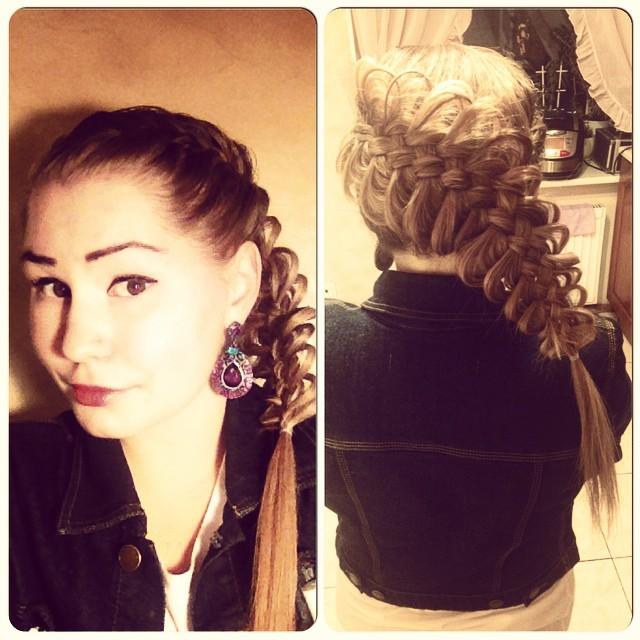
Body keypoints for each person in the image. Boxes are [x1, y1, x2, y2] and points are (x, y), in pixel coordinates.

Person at [325, 44, 631, 631]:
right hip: (531, 613)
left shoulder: (326, 357)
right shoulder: (588, 353)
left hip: (374, 614)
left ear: (370, 193)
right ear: (523, 183)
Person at [10, 106, 316, 632]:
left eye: (131, 283)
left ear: (238, 286)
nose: (75, 342)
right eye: (52, 286)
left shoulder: (328, 472)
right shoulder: (15, 491)